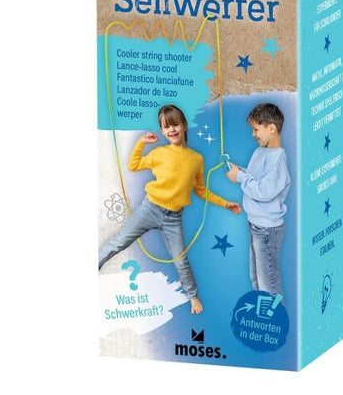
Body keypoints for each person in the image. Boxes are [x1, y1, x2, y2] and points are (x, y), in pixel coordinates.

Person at [99, 104, 241, 314]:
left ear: (184, 126)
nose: (171, 130)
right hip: (150, 208)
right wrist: (140, 143)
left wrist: (225, 203)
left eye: (175, 124)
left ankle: (193, 297)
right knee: (119, 242)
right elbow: (134, 165)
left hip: (173, 218)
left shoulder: (196, 159)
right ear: (162, 131)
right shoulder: (158, 153)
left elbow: (201, 190)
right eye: (166, 127)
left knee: (181, 260)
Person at [226, 103, 291, 298]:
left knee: (268, 282)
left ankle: (275, 314)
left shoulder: (277, 159)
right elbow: (256, 178)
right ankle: (262, 311)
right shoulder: (261, 151)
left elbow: (264, 191)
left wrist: (240, 178)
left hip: (267, 229)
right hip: (255, 225)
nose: (253, 134)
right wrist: (241, 171)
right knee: (256, 277)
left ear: (271, 129)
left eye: (256, 129)